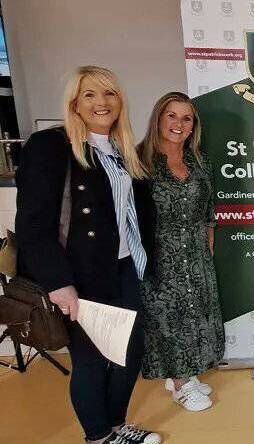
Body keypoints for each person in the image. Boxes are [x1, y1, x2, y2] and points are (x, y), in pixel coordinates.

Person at [15, 66, 161, 444]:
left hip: (124, 267)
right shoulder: (50, 146)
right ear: (74, 104)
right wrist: (59, 283)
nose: (102, 102)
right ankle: (98, 436)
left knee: (129, 352)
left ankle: (116, 425)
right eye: (90, 94)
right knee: (92, 359)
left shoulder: (122, 149)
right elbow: (33, 225)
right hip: (79, 274)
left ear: (120, 101)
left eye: (109, 94)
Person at [136, 92, 224, 412]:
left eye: (186, 118)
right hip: (159, 257)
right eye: (171, 115)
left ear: (193, 125)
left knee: (195, 316)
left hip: (197, 254)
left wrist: (207, 251)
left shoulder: (200, 162)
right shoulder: (138, 162)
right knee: (167, 319)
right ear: (158, 118)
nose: (179, 123)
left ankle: (186, 373)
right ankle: (179, 383)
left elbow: (209, 213)